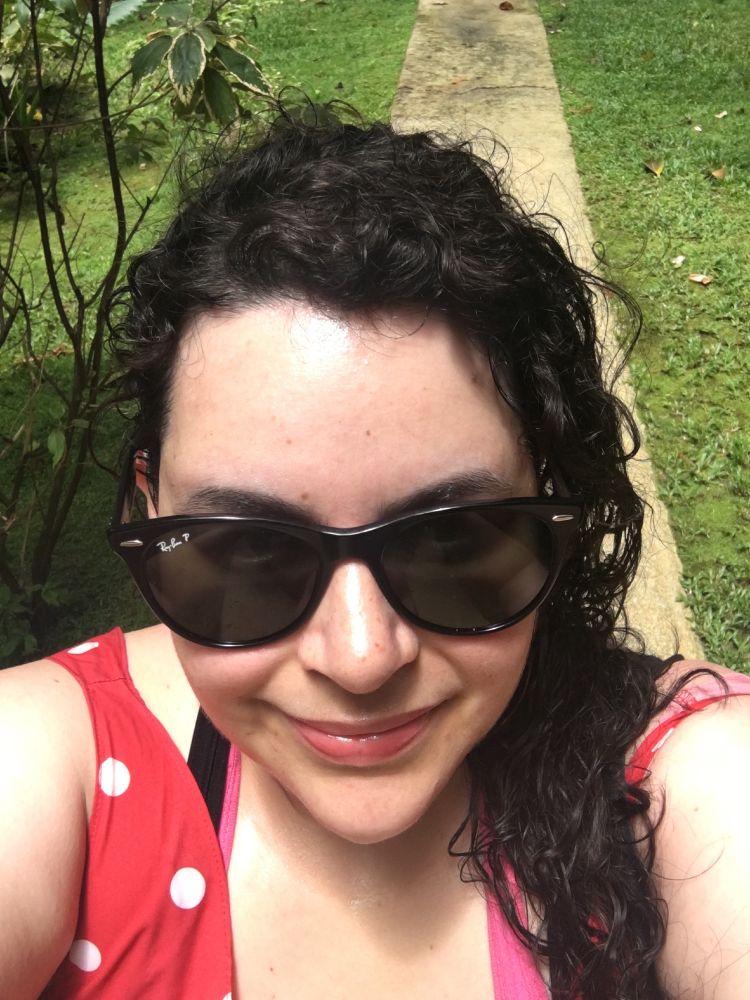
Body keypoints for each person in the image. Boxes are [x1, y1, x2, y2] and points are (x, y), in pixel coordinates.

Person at [1, 105, 749, 1000]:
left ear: (549, 496)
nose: (360, 659)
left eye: (452, 542)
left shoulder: (680, 782)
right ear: (149, 502)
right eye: (247, 554)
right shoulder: (49, 766)